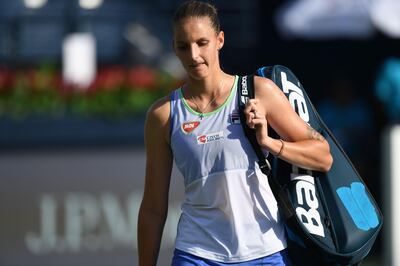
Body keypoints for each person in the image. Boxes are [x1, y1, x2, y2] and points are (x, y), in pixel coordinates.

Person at [137, 1, 333, 265]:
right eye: (183, 46)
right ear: (174, 48)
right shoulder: (163, 115)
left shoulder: (258, 90)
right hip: (196, 252)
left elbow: (323, 156)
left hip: (265, 251)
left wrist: (269, 142)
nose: (193, 55)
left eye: (202, 42)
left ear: (220, 40)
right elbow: (153, 208)